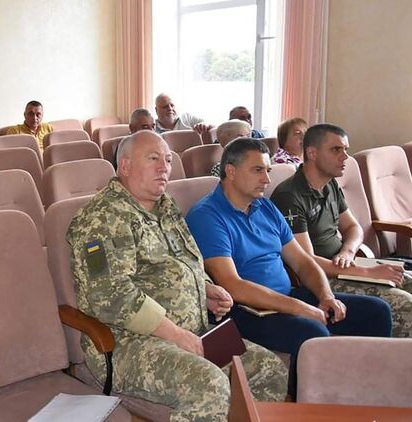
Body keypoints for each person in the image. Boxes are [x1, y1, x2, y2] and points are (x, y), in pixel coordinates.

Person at [67, 131, 287, 422]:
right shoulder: (102, 218)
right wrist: (178, 335)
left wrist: (206, 290)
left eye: (169, 160)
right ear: (126, 166)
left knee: (268, 370)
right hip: (129, 344)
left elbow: (185, 261)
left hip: (192, 331)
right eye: (153, 159)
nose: (164, 168)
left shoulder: (166, 207)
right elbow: (112, 296)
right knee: (208, 385)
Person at [185, 137, 392, 396]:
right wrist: (300, 308)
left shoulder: (265, 207)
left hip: (285, 297)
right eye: (258, 170)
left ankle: (368, 394)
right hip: (244, 310)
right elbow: (232, 285)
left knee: (376, 312)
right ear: (231, 171)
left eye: (268, 170)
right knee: (311, 332)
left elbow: (302, 261)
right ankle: (310, 405)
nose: (266, 179)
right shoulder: (207, 215)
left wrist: (325, 297)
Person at [271, 124, 411, 337]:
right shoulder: (290, 196)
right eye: (336, 150)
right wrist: (367, 273)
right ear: (312, 153)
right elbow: (307, 262)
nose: (345, 157)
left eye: (346, 149)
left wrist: (347, 251)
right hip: (321, 279)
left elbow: (353, 227)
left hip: (345, 265)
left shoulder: (330, 185)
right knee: (406, 305)